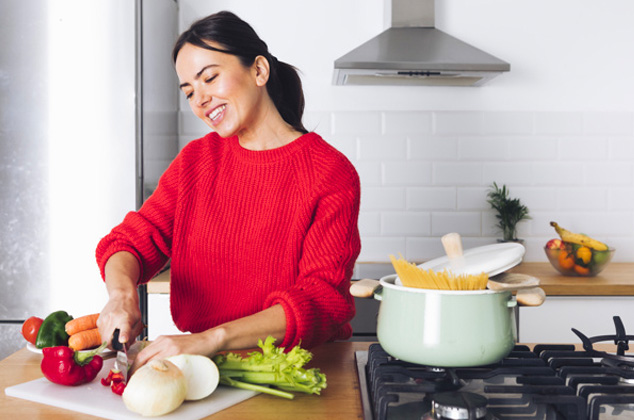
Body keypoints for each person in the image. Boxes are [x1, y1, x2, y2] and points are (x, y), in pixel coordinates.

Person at [95, 11, 361, 368]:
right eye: (189, 91)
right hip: (206, 369)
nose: (200, 99)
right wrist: (121, 294)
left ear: (259, 71)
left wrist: (213, 338)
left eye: (210, 78)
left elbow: (323, 299)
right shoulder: (196, 161)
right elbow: (130, 241)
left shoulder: (329, 172)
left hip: (297, 369)